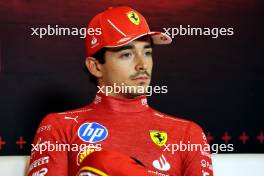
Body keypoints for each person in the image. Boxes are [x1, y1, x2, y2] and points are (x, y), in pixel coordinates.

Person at [27, 6, 213, 176]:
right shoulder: (59, 127)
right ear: (96, 67)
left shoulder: (188, 134)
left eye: (147, 52)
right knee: (100, 163)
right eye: (127, 54)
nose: (142, 64)